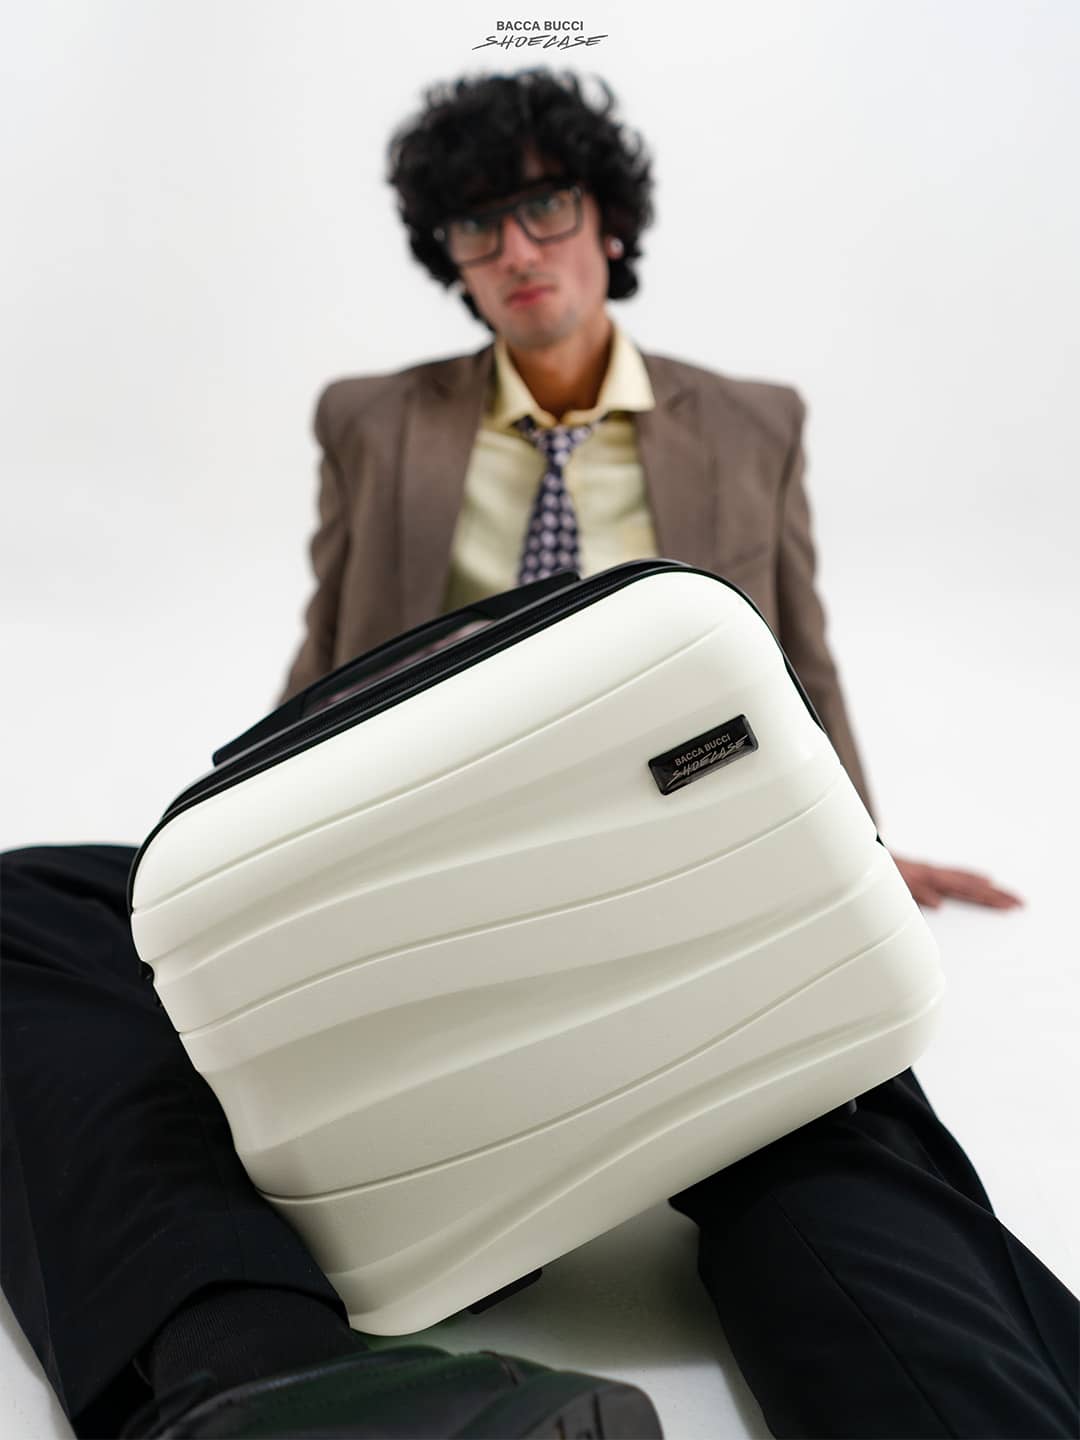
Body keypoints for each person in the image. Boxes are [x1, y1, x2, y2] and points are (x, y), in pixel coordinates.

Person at [1, 66, 1075, 1440]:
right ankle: (268, 1388)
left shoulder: (751, 420)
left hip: (674, 844)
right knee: (34, 902)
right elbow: (324, 658)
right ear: (446, 258)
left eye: (544, 206)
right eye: (474, 225)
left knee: (814, 1066)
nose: (514, 249)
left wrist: (850, 837)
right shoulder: (376, 421)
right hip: (410, 846)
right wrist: (233, 872)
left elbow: (798, 655)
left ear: (607, 221)